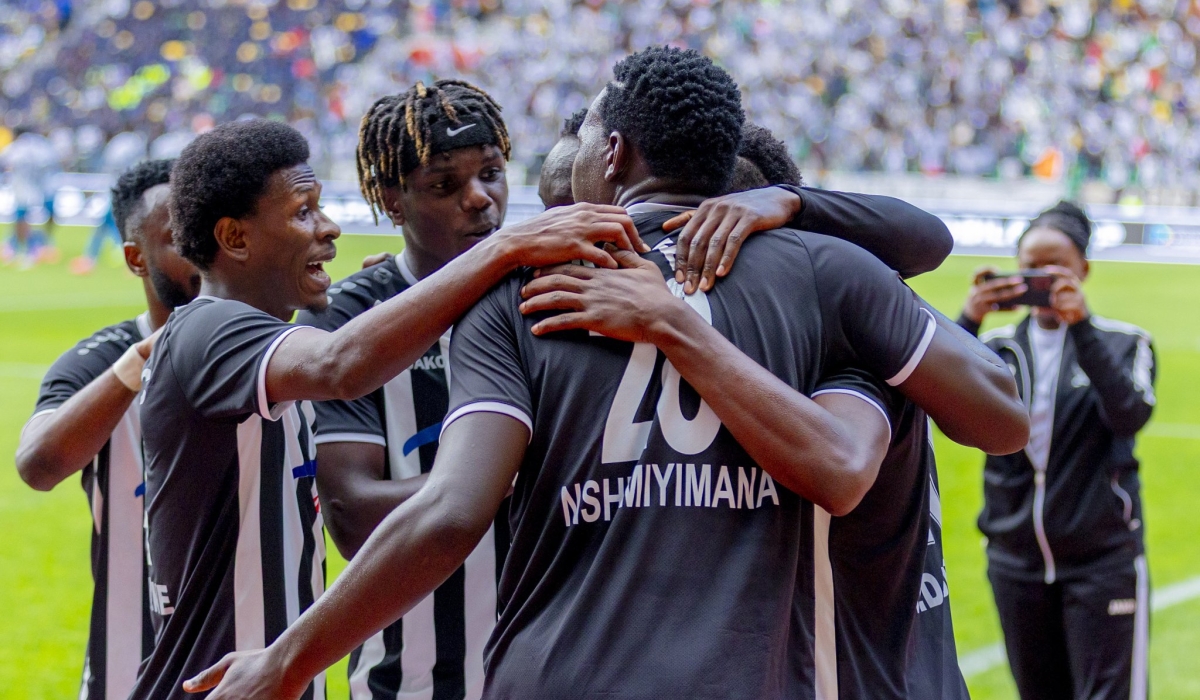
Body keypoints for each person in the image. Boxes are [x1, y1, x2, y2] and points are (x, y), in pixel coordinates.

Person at [184, 46, 1026, 700]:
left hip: (554, 671)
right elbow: (997, 418)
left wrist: (290, 660)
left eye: (580, 135)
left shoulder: (519, 291)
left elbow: (447, 514)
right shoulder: (829, 275)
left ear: (613, 154)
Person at [131, 117, 645, 700]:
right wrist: (504, 248)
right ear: (236, 238)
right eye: (303, 212)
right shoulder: (207, 328)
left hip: (258, 676)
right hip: (215, 683)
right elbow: (341, 364)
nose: (328, 229)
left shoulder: (260, 348)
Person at [652, 128, 976, 699]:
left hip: (864, 663)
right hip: (906, 653)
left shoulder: (836, 318)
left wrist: (797, 204)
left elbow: (847, 468)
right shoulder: (842, 308)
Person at [297, 80, 514, 700]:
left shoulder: (548, 298)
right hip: (408, 682)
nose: (480, 200)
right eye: (444, 186)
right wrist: (506, 471)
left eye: (492, 174)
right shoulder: (348, 319)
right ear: (393, 201)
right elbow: (352, 513)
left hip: (549, 672)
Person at [14, 159, 201, 700]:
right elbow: (38, 464)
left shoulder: (280, 350)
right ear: (136, 258)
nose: (199, 252)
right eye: (176, 239)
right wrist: (135, 366)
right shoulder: (94, 364)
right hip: (128, 669)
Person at [956, 201, 1157, 700]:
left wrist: (1082, 326)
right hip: (1014, 563)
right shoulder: (994, 348)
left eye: (1056, 268)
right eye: (1031, 268)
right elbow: (942, 408)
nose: (1042, 279)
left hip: (1102, 562)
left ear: (1083, 270)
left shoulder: (1125, 343)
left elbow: (1129, 415)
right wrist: (968, 319)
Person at [2, 129, 60, 268]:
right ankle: (34, 244)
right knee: (36, 217)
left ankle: (29, 248)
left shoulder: (16, 148)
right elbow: (53, 163)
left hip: (22, 188)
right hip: (40, 186)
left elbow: (5, 163)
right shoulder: (42, 146)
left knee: (21, 219)